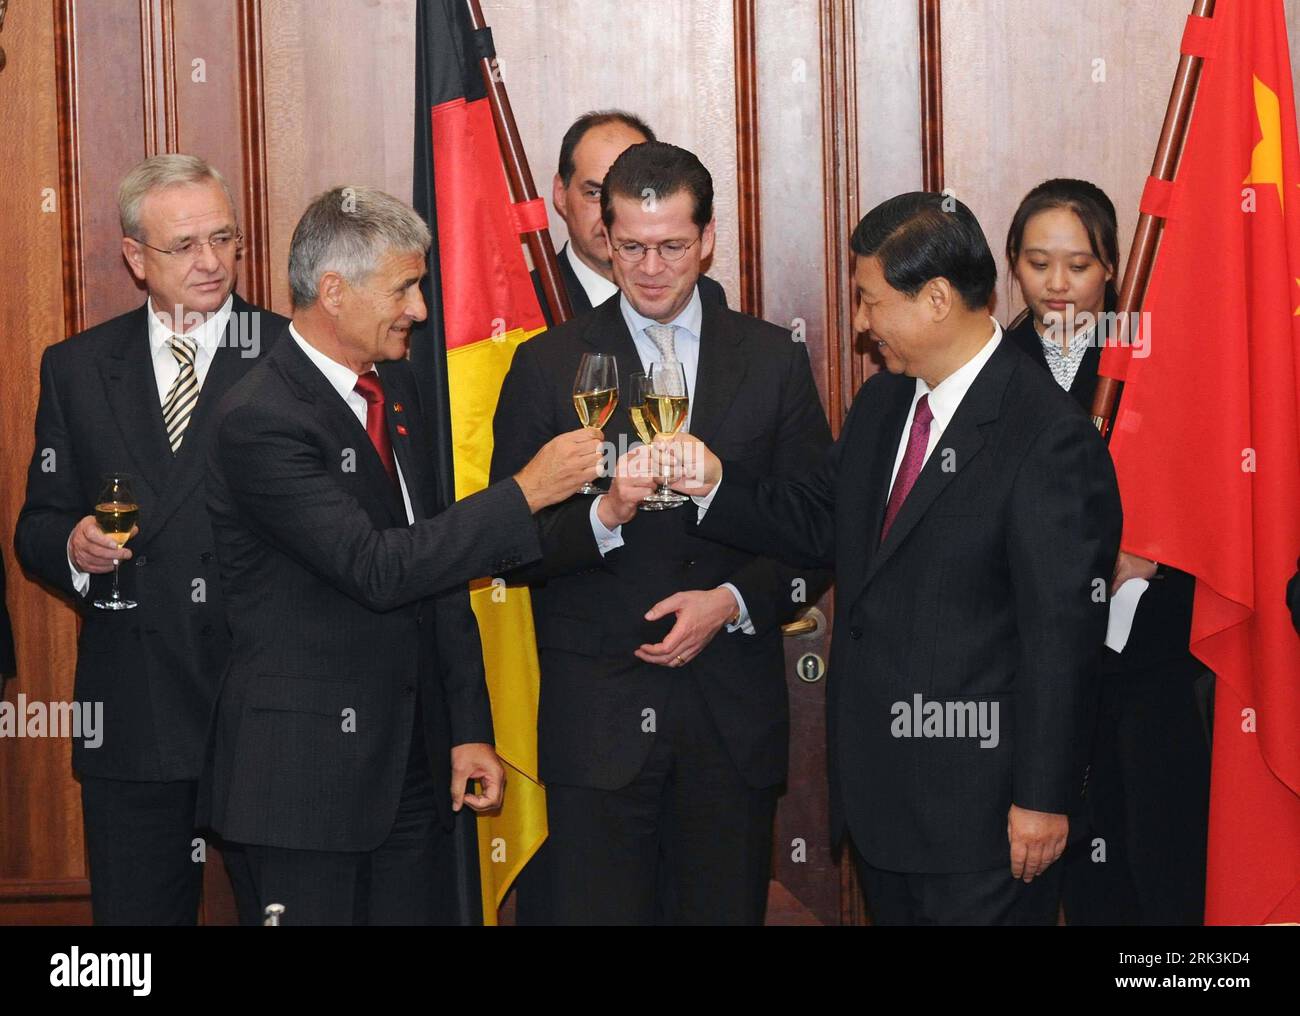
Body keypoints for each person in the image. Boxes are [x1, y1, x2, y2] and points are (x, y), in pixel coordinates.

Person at [667, 191, 1123, 925]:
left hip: (986, 822)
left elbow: (1061, 641)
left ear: (937, 299)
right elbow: (819, 523)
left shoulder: (1047, 437)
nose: (860, 323)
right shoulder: (885, 404)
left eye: (870, 301)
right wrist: (715, 482)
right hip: (883, 810)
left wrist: (1041, 799)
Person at [202, 185, 600, 925]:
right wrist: (526, 492)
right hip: (304, 786)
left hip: (414, 768)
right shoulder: (260, 418)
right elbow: (378, 568)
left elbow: (438, 568)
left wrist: (468, 727)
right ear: (333, 291)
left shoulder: (396, 389)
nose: (420, 309)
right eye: (405, 288)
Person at [492, 141, 831, 924]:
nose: (651, 268)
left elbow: (818, 527)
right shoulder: (546, 365)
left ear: (708, 238)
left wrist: (733, 597)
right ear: (603, 238)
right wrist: (603, 518)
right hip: (598, 728)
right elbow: (507, 546)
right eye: (633, 247)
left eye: (673, 246)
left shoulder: (773, 357)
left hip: (729, 719)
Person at [14, 154, 287, 924]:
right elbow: (33, 527)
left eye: (224, 239)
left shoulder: (292, 356)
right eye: (184, 245)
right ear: (135, 257)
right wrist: (72, 545)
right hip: (136, 709)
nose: (210, 262)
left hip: (268, 706)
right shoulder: (76, 367)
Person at [1005, 178, 1211, 925]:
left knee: (1151, 882)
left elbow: (1215, 505)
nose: (1058, 285)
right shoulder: (990, 370)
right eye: (1037, 263)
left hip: (1145, 673)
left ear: (1113, 269)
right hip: (1023, 684)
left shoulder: (1156, 361)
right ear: (1012, 267)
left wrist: (1155, 553)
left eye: (1080, 265)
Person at [534, 110, 726, 323]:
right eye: (595, 193)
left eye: (635, 192)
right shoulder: (525, 304)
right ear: (561, 194)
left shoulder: (703, 295)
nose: (610, 212)